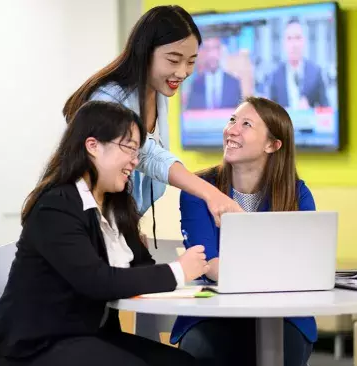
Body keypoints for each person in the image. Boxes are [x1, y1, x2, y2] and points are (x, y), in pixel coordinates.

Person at [0, 101, 211, 366]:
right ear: (92, 146)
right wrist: (178, 271)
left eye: (137, 150)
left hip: (85, 337)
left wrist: (177, 276)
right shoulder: (56, 206)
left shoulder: (116, 205)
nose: (135, 160)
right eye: (128, 148)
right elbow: (96, 281)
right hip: (34, 349)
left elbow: (138, 270)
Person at [171, 96, 317, 366]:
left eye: (246, 124)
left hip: (284, 318)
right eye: (231, 121)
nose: (231, 131)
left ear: (272, 144)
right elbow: (208, 263)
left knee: (277, 365)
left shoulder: (296, 193)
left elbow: (303, 265)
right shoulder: (199, 189)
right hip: (214, 318)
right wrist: (270, 271)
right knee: (195, 358)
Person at [62, 5, 243, 248]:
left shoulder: (158, 95)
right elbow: (146, 155)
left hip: (114, 227)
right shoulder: (109, 99)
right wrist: (209, 193)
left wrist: (128, 227)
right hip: (83, 228)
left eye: (191, 62)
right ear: (145, 52)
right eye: (173, 60)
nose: (183, 72)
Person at [269, 17, 329, 109]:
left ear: (304, 41)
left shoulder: (315, 72)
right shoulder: (275, 75)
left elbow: (326, 109)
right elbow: (269, 114)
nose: (294, 44)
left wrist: (310, 111)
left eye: (298, 38)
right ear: (284, 43)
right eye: (289, 38)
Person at [186, 35, 243, 110]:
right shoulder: (196, 84)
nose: (211, 54)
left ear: (220, 51)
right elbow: (191, 114)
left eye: (215, 48)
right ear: (203, 53)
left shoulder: (234, 83)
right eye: (208, 49)